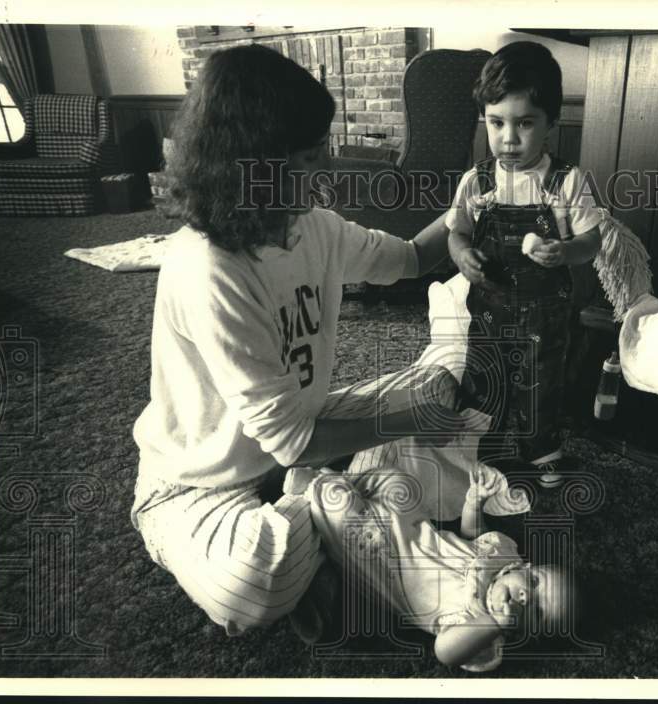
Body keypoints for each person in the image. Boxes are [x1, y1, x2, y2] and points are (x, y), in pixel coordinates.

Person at [129, 44, 463, 640]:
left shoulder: (315, 226)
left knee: (437, 383)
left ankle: (334, 513)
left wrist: (468, 206)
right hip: (201, 484)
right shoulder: (209, 269)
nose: (328, 172)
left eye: (324, 151)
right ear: (251, 166)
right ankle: (339, 508)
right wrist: (404, 423)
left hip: (300, 433)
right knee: (256, 579)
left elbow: (413, 259)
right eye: (311, 158)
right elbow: (287, 441)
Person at [447, 41, 603, 488]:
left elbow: (591, 239)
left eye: (525, 123)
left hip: (545, 314)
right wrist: (462, 256)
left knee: (541, 382)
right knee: (483, 377)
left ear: (551, 122)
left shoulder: (566, 181)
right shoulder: (476, 181)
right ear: (485, 119)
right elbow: (456, 231)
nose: (509, 139)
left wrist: (565, 251)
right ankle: (485, 442)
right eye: (497, 123)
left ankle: (541, 448)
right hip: (490, 309)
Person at [287, 464, 572, 672]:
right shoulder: (505, 553)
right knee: (398, 481)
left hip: (383, 562)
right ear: (527, 567)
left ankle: (316, 484)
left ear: (527, 635)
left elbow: (445, 652)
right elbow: (473, 535)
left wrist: (494, 623)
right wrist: (474, 502)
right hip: (414, 531)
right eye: (534, 582)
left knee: (345, 514)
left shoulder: (483, 635)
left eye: (537, 611)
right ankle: (340, 496)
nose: (526, 597)